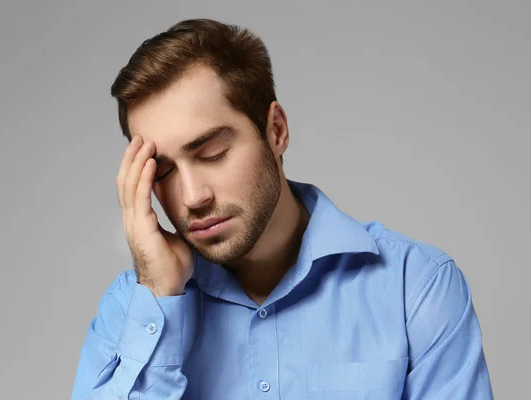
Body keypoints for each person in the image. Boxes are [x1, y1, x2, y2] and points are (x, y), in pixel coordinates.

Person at [71, 18, 493, 400]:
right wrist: (159, 295)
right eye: (162, 172)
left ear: (276, 130)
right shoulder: (132, 309)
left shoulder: (415, 287)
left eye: (213, 152)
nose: (193, 196)